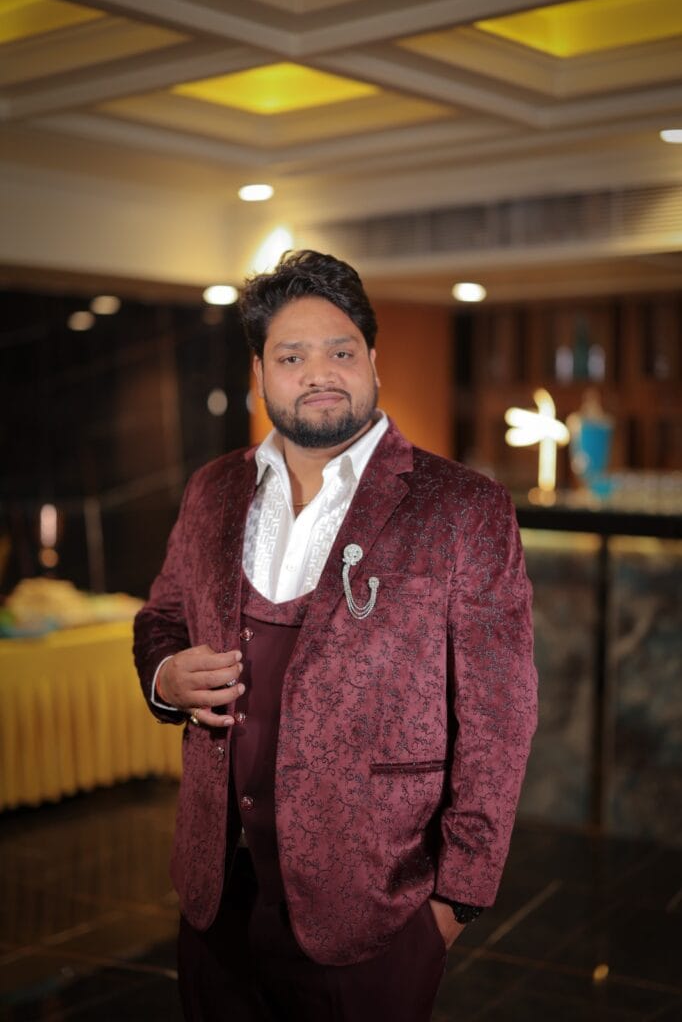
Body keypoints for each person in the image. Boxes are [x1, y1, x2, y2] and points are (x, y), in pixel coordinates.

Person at [133, 250, 537, 1022]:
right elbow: (161, 618)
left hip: (375, 913)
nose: (321, 373)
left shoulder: (463, 507)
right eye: (292, 356)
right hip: (216, 898)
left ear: (374, 363)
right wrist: (165, 677)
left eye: (342, 351)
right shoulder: (214, 490)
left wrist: (455, 901)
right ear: (258, 373)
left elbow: (500, 720)